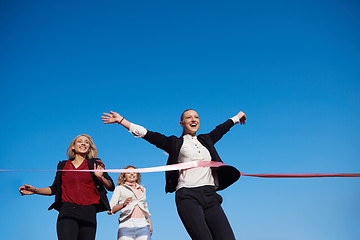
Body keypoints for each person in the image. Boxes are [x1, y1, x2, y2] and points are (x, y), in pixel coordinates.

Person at [101, 109, 246, 240]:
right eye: (189, 118)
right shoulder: (175, 143)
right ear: (182, 123)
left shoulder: (206, 139)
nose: (193, 119)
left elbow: (222, 128)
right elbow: (148, 134)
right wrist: (121, 120)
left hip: (210, 195)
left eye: (196, 117)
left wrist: (238, 116)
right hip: (188, 196)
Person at [19, 134, 115, 240]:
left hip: (89, 212)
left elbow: (110, 186)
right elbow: (54, 189)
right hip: (68, 211)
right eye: (80, 141)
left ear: (89, 148)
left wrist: (101, 177)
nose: (83, 143)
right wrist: (35, 190)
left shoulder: (95, 164)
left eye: (86, 142)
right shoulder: (63, 166)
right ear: (73, 146)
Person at [108, 165, 152, 240]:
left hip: (143, 224)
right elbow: (110, 210)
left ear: (137, 175)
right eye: (128, 172)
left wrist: (149, 224)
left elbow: (145, 208)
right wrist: (123, 205)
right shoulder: (119, 188)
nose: (132, 174)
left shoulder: (143, 189)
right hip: (126, 224)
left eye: (134, 172)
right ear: (124, 177)